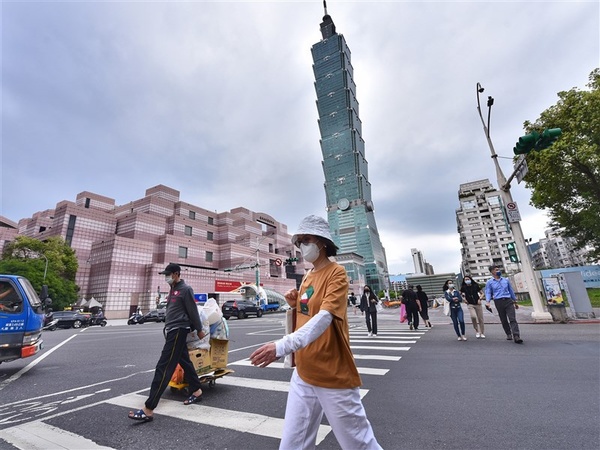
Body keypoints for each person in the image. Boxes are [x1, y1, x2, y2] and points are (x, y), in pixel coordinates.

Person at [249, 215, 382, 450]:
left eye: (307, 239)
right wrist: (294, 303)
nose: (302, 246)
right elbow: (307, 313)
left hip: (332, 372)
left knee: (359, 444)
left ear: (322, 242)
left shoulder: (337, 273)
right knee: (292, 445)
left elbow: (324, 317)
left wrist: (282, 346)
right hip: (304, 371)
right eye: (299, 241)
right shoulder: (308, 276)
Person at [128, 263, 206, 422]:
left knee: (163, 367)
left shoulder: (186, 289)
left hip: (179, 330)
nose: (166, 277)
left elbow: (192, 310)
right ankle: (197, 390)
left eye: (168, 274)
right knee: (184, 361)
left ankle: (149, 408)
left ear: (176, 274)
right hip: (172, 330)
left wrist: (198, 328)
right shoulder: (173, 290)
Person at [484, 266, 523, 344]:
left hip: (508, 300)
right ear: (492, 272)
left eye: (498, 269)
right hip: (498, 301)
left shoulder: (506, 280)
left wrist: (515, 301)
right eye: (496, 270)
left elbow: (510, 290)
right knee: (503, 319)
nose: (498, 271)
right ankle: (508, 333)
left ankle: (516, 336)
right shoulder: (490, 282)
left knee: (512, 318)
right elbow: (488, 292)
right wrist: (487, 301)